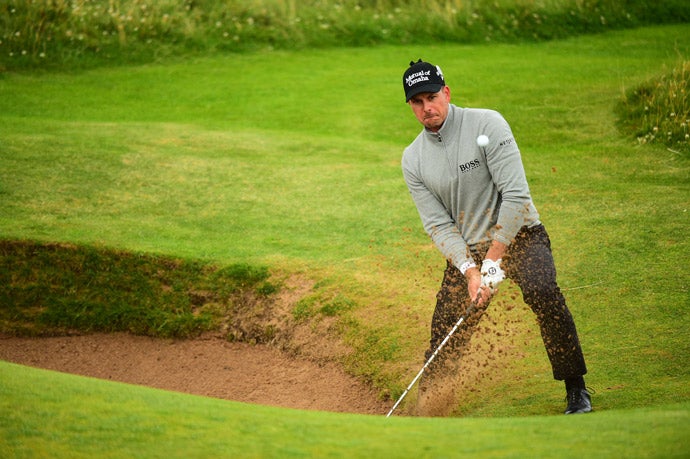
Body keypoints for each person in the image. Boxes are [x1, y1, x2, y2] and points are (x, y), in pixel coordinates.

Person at [400, 59, 591, 415]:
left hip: (520, 234)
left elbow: (516, 196)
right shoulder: (413, 159)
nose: (427, 107)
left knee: (543, 293)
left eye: (432, 97)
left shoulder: (487, 123)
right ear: (410, 105)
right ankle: (428, 408)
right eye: (417, 101)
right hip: (470, 251)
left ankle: (576, 389)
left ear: (446, 92)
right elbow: (439, 225)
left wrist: (494, 258)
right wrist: (472, 271)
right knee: (447, 332)